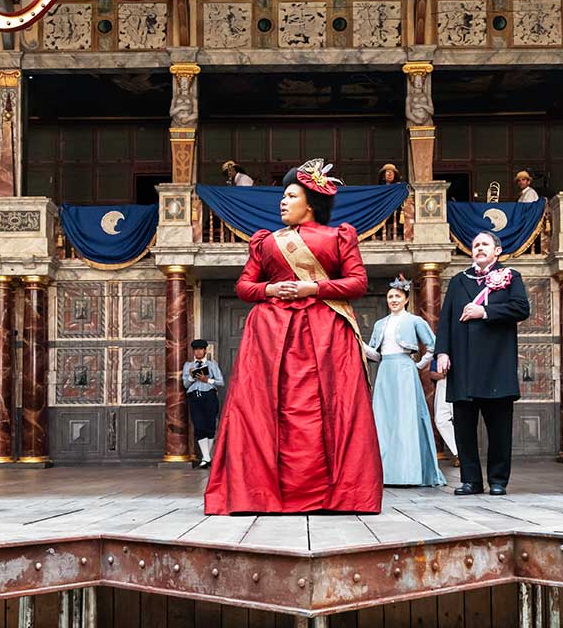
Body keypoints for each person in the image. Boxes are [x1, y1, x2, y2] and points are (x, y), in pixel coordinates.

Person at [204, 158, 382, 514]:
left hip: (325, 330)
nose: (282, 202)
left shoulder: (338, 236)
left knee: (330, 407)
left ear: (310, 202)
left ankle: (339, 494)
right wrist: (271, 289)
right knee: (265, 408)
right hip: (270, 332)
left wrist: (311, 288)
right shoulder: (267, 241)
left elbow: (358, 283)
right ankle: (258, 493)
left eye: (290, 195)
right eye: (283, 196)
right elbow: (244, 286)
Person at [434, 231, 530, 496]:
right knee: (464, 427)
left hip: (496, 363)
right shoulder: (458, 281)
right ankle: (471, 481)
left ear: (497, 251)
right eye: (475, 245)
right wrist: (442, 352)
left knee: (499, 428)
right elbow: (445, 321)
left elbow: (522, 308)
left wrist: (485, 311)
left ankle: (498, 480)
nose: (479, 248)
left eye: (484, 244)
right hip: (463, 364)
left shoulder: (511, 277)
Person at [363, 275, 445, 487]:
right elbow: (376, 355)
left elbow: (433, 346)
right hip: (385, 372)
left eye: (398, 296)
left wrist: (418, 365)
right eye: (390, 296)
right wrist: (359, 343)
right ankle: (385, 473)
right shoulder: (381, 324)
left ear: (406, 298)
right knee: (384, 419)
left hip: (405, 371)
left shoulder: (415, 321)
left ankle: (409, 473)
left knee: (406, 420)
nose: (393, 300)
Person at [182, 338, 225, 469]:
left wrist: (207, 380)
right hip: (195, 397)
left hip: (209, 396)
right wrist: (191, 377)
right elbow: (185, 384)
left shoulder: (212, 365)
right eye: (196, 350)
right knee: (199, 425)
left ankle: (206, 458)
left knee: (210, 426)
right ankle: (206, 457)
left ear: (205, 350)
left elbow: (221, 382)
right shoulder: (188, 366)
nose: (198, 352)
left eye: (200, 349)